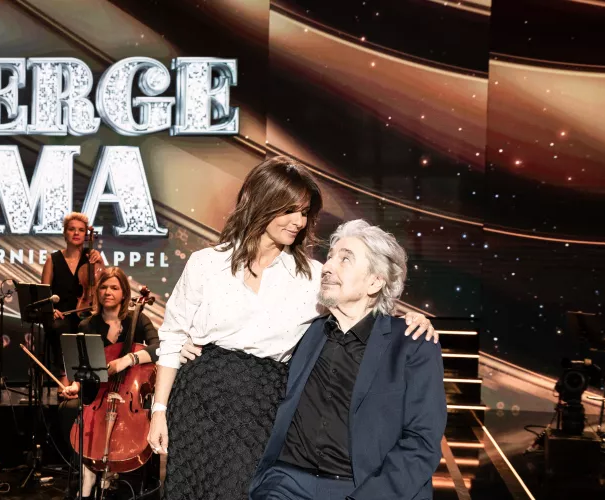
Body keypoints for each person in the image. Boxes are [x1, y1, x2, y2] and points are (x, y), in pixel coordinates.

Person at [147, 156, 437, 500]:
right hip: (198, 398)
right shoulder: (206, 264)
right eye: (289, 210)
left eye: (304, 212)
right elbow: (172, 336)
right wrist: (159, 410)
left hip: (259, 407)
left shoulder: (311, 276)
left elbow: (360, 300)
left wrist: (407, 317)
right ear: (260, 202)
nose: (299, 222)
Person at [249, 220, 446, 500]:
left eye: (345, 259)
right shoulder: (306, 330)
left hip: (362, 486)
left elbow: (422, 442)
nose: (327, 266)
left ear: (375, 281)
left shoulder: (412, 342)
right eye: (330, 257)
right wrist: (191, 340)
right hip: (286, 482)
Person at [59, 267, 160, 498]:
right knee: (67, 409)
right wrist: (75, 385)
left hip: (130, 392)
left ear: (124, 293)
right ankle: (87, 469)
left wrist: (128, 359)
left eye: (114, 287)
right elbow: (82, 368)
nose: (108, 292)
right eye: (103, 287)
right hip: (98, 392)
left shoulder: (137, 319)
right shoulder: (87, 325)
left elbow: (159, 348)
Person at [41, 212, 103, 390]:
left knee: (90, 325)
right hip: (61, 313)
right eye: (72, 229)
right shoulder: (53, 259)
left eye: (81, 230)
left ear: (86, 235)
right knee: (60, 327)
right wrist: (51, 309)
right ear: (65, 233)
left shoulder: (92, 258)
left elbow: (103, 285)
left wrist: (100, 263)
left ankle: (84, 379)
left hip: (86, 311)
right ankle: (64, 375)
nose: (76, 233)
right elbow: (44, 294)